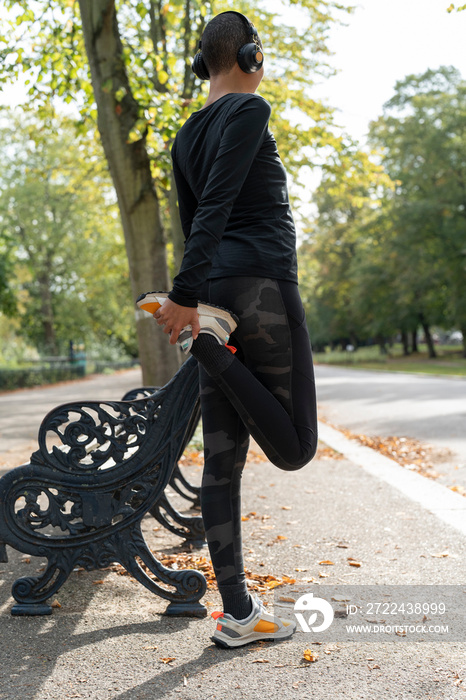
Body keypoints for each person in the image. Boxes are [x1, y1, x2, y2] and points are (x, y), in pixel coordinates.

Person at [137, 10, 318, 648]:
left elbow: (196, 222)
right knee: (295, 448)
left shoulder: (186, 135)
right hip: (262, 287)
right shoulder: (250, 112)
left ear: (200, 65)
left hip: (216, 291)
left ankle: (238, 614)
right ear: (251, 55)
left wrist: (195, 296)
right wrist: (188, 304)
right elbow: (214, 206)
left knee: (222, 461)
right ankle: (210, 347)